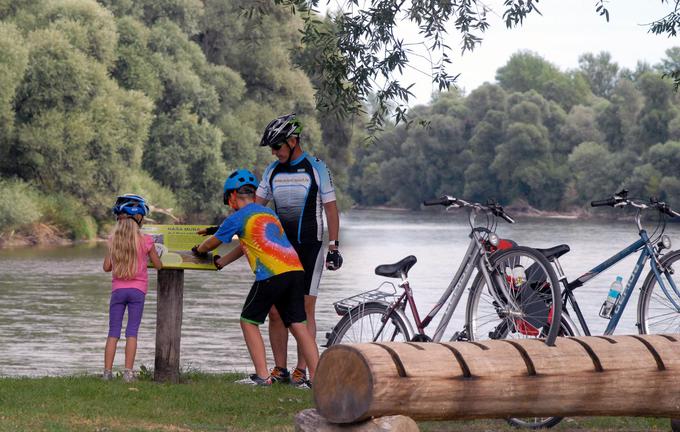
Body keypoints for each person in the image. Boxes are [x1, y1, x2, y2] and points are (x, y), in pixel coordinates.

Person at [192, 169, 319, 387]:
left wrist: (199, 250)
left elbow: (212, 243)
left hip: (271, 274)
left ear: (232, 197)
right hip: (295, 270)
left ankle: (262, 377)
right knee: (298, 324)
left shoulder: (238, 217)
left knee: (248, 321)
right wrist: (222, 262)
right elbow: (248, 244)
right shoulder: (267, 214)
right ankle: (319, 380)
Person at [256, 113, 343, 386]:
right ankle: (279, 369)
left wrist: (334, 246)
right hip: (280, 251)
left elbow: (331, 209)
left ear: (293, 141)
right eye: (271, 147)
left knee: (304, 311)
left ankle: (301, 369)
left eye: (277, 146)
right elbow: (257, 208)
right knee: (274, 310)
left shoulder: (317, 168)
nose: (274, 152)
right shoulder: (272, 171)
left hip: (310, 248)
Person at [103, 194, 162, 382]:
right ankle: (128, 373)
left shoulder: (113, 239)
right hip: (137, 291)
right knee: (132, 332)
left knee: (113, 332)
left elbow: (106, 267)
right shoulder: (146, 241)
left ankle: (107, 373)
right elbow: (158, 265)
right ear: (139, 218)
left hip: (118, 291)